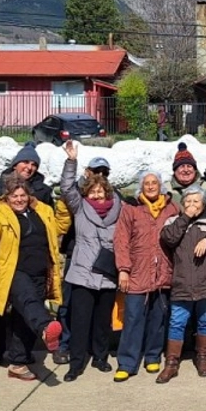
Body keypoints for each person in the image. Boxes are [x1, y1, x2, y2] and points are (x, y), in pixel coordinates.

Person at [0, 173, 70, 382]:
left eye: (22, 195)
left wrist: (65, 207)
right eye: (14, 196)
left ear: (29, 196)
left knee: (25, 317)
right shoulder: (0, 215)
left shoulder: (43, 211)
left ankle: (18, 363)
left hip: (40, 272)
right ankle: (46, 326)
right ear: (6, 198)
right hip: (12, 271)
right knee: (31, 303)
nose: (19, 199)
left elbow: (59, 227)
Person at [58, 141, 121, 381]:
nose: (96, 194)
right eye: (92, 191)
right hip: (83, 272)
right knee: (80, 320)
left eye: (100, 191)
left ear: (107, 192)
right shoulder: (80, 206)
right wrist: (71, 161)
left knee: (102, 320)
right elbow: (66, 187)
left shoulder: (119, 208)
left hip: (107, 271)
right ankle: (75, 364)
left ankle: (101, 357)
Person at [156, 185, 206, 382]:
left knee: (205, 321)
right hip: (182, 283)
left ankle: (202, 358)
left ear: (204, 203)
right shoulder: (174, 221)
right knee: (177, 322)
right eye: (187, 201)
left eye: (195, 201)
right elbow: (169, 238)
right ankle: (172, 363)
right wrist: (186, 218)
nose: (191, 205)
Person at [111, 170, 178, 381]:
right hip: (137, 272)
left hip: (163, 273)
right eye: (146, 183)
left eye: (154, 183)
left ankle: (152, 356)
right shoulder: (131, 209)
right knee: (132, 318)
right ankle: (127, 362)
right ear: (141, 187)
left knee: (158, 318)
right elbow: (121, 241)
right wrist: (123, 269)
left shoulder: (172, 209)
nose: (150, 186)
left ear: (161, 186)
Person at [166, 143, 206, 207]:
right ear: (175, 170)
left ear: (195, 170)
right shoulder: (166, 189)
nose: (186, 170)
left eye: (189, 166)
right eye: (182, 166)